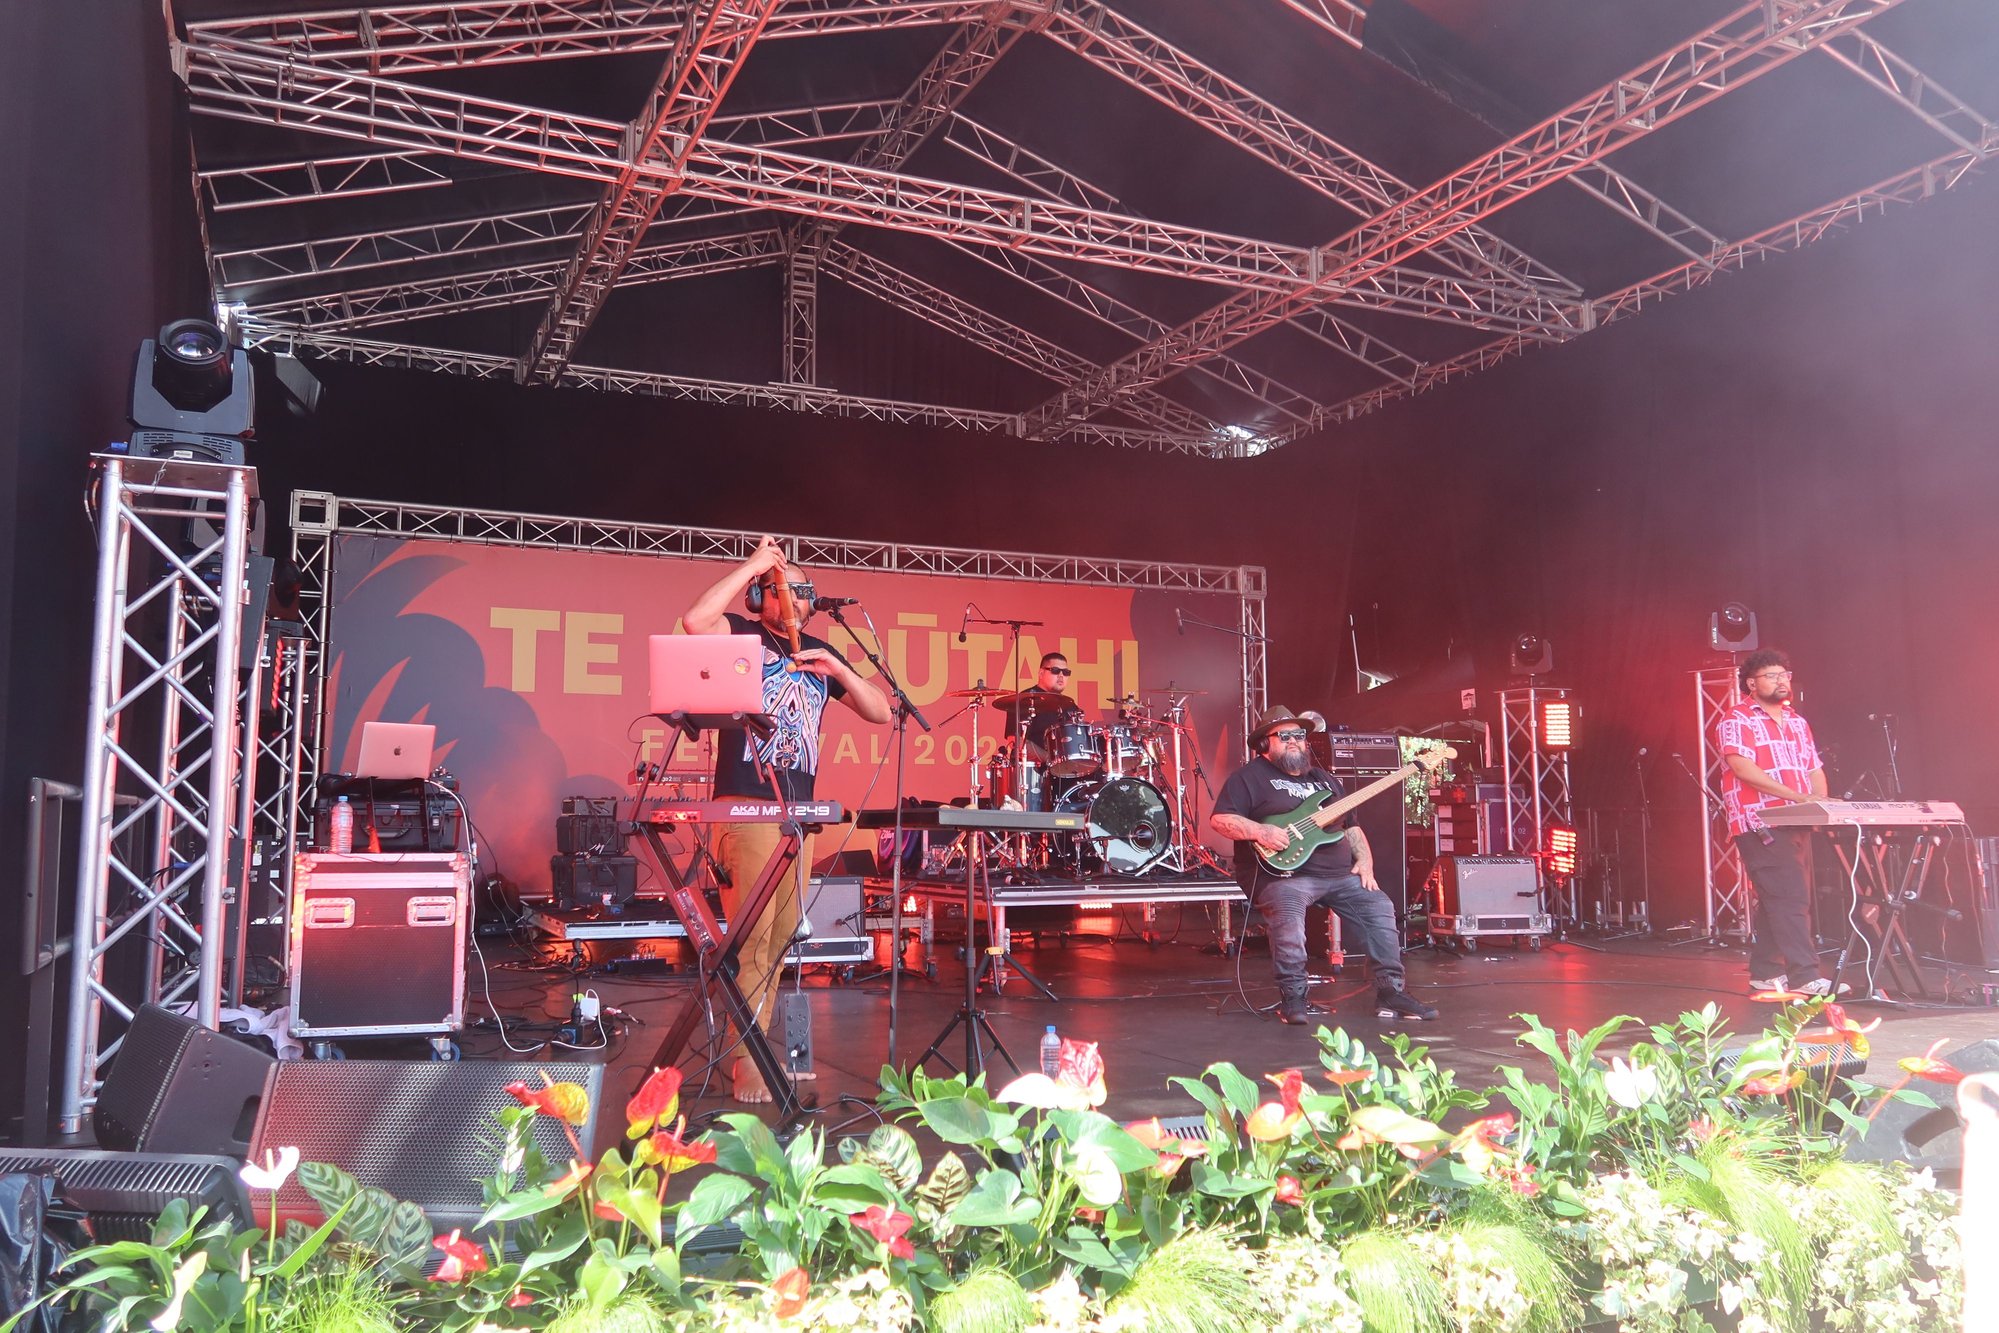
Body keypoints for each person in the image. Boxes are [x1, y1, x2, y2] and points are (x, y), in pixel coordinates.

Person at [683, 536, 891, 1101]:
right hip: (747, 806)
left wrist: (842, 674)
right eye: (785, 587)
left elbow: (881, 711)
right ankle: (747, 1063)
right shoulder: (744, 634)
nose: (799, 596)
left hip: (797, 813)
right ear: (761, 597)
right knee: (749, 941)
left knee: (778, 941)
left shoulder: (821, 652)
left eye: (804, 588)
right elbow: (695, 621)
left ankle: (755, 1047)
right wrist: (753, 564)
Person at [1211, 705, 1437, 1025]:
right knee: (1288, 914)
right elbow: (1221, 820)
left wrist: (1366, 862)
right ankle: (1294, 995)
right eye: (1285, 735)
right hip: (1285, 875)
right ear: (1264, 744)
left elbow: (1351, 826)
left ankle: (1391, 990)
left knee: (1379, 906)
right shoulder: (1249, 778)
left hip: (1338, 876)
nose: (1294, 741)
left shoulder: (1325, 780)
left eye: (1300, 735)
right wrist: (1261, 831)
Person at [1715, 649, 1841, 996]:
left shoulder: (1798, 722)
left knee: (1780, 896)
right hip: (1759, 822)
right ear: (1751, 683)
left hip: (1796, 820)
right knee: (1790, 898)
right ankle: (1804, 975)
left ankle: (1765, 971)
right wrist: (1798, 797)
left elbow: (1813, 768)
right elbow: (1743, 769)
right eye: (1772, 675)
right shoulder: (1736, 719)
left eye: (1784, 674)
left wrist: (1818, 801)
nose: (1781, 680)